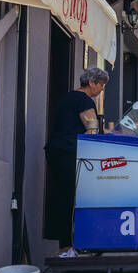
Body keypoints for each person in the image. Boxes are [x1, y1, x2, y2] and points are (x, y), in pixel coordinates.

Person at [44, 67, 109, 256]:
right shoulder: (84, 100)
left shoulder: (66, 97)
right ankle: (71, 245)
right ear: (91, 82)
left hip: (55, 151)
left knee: (62, 196)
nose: (101, 89)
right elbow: (91, 129)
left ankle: (64, 246)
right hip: (70, 153)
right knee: (74, 198)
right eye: (101, 85)